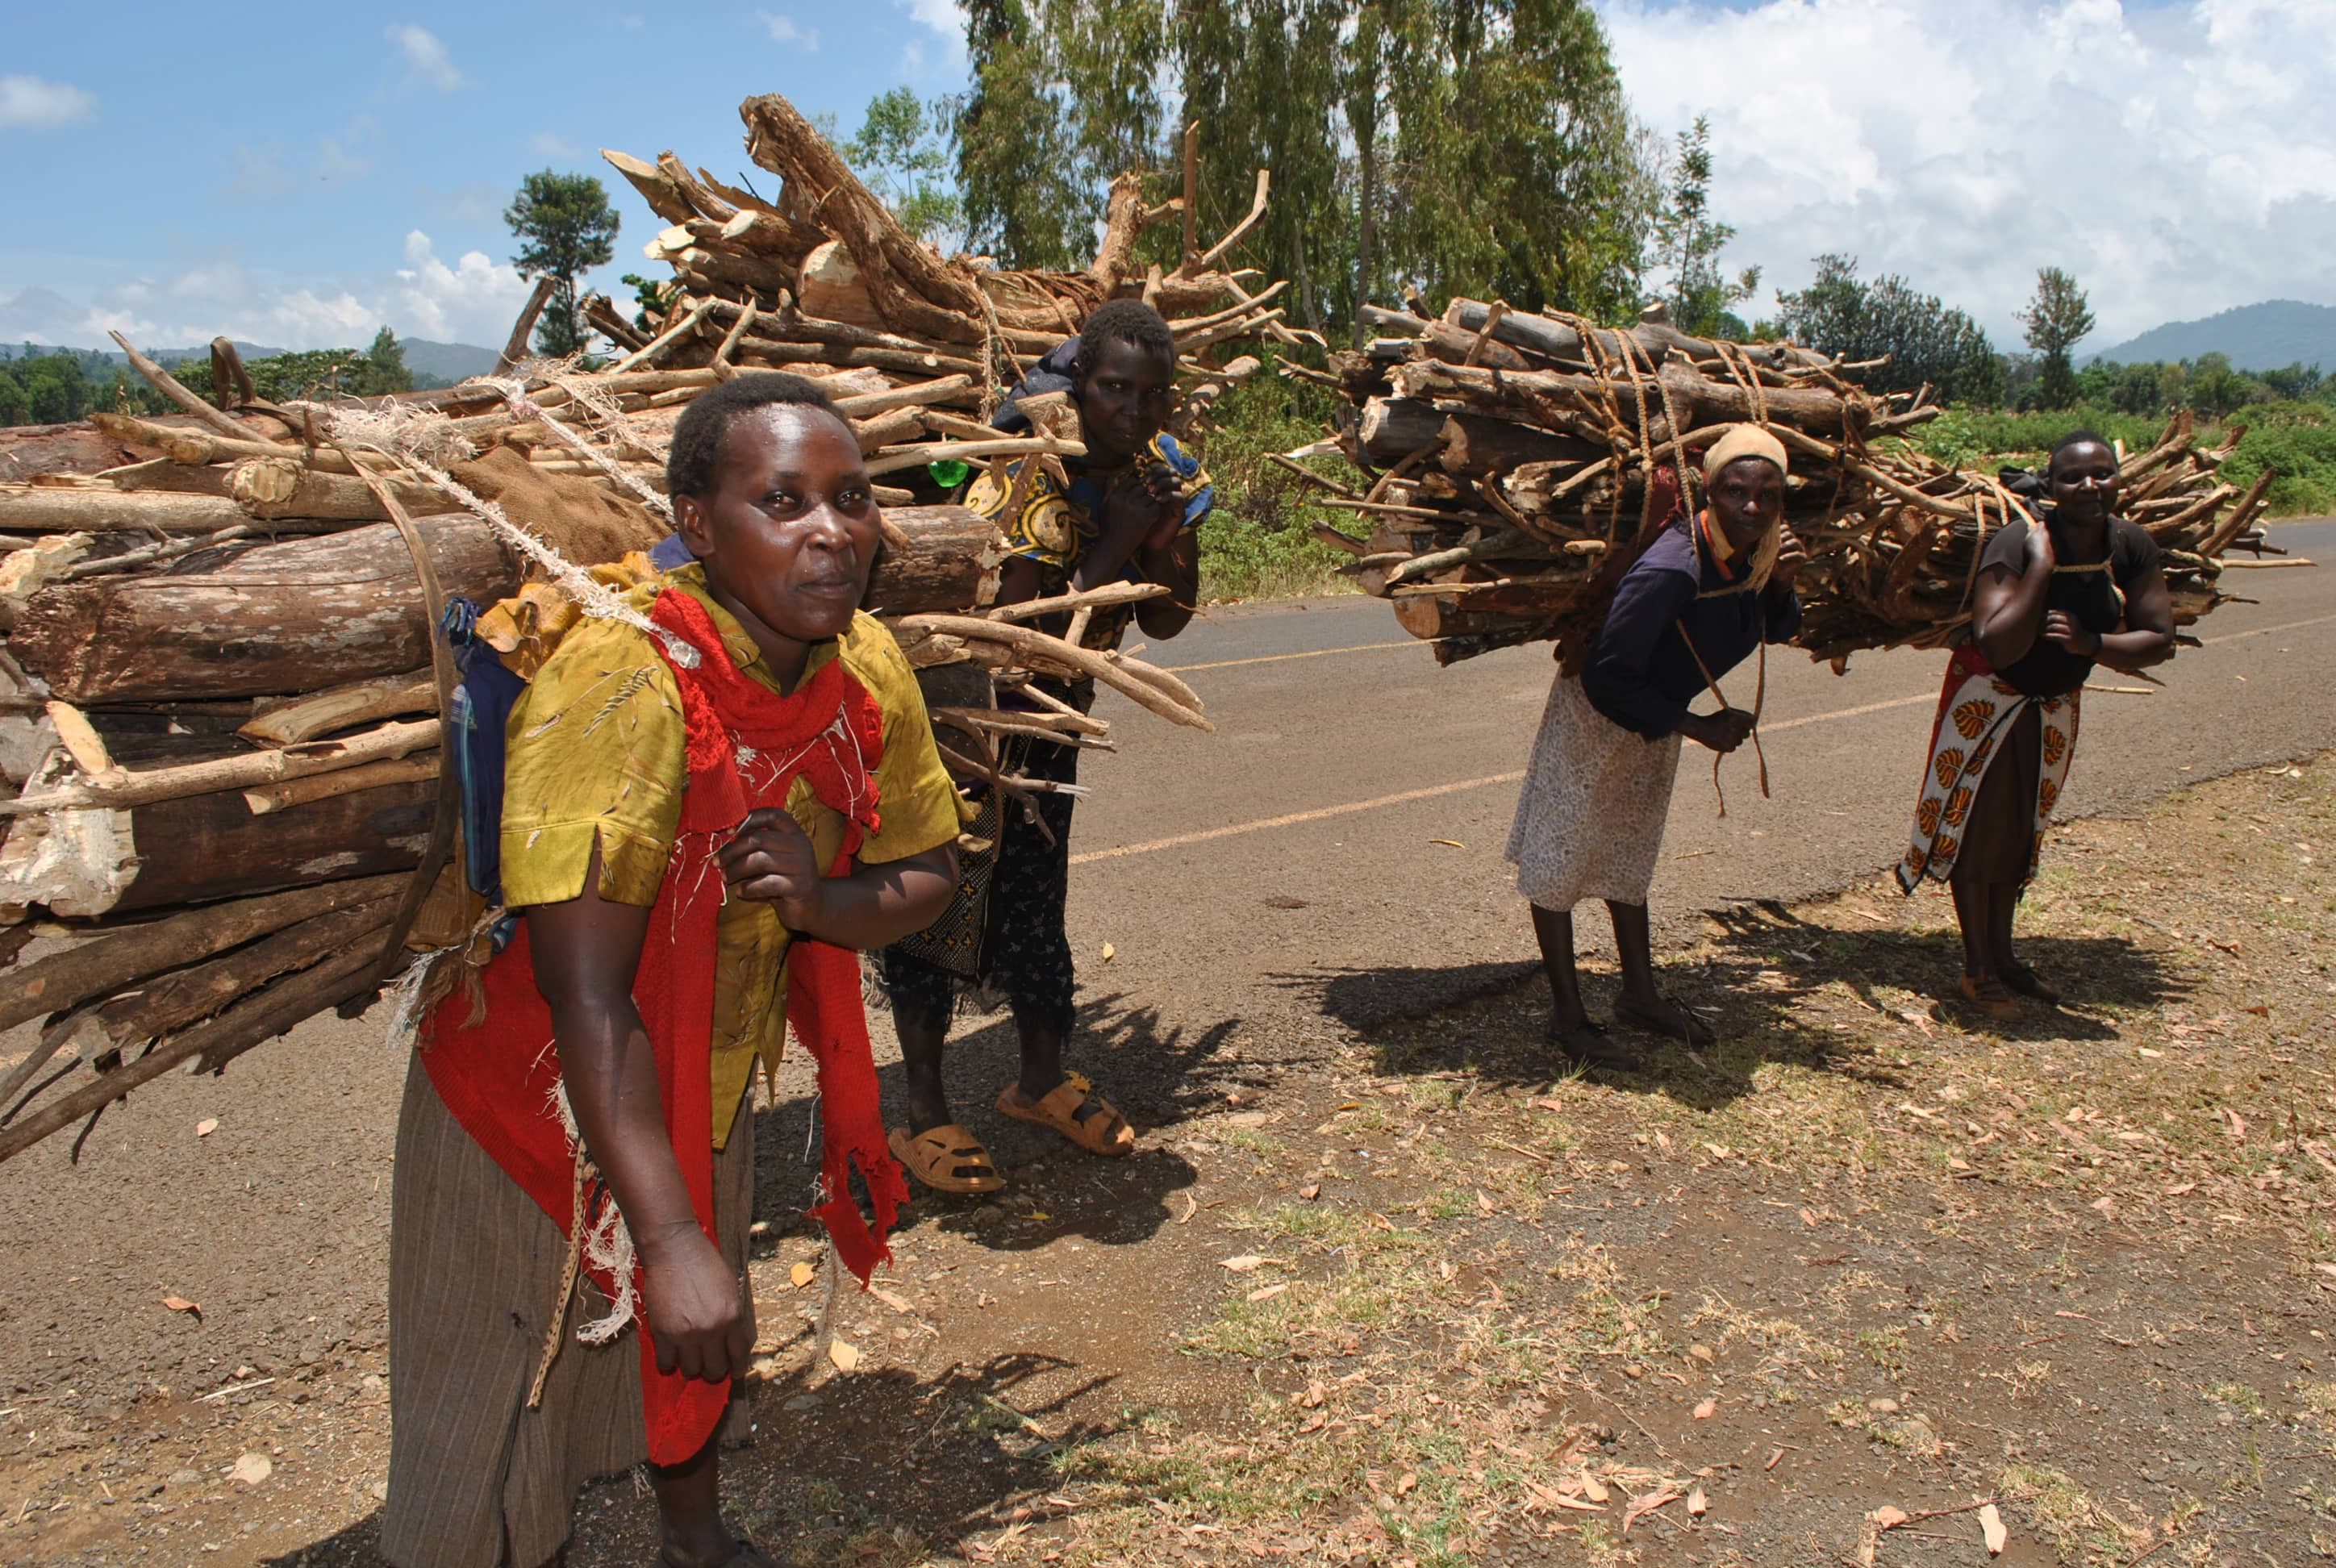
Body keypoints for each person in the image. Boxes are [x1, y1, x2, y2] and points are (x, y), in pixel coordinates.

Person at [383, 373, 962, 1568]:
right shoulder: (624, 678)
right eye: (782, 501)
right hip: (531, 1085)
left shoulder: (866, 668)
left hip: (697, 1062)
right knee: (488, 1382)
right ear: (697, 525)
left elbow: (932, 876)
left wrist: (817, 900)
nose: (829, 532)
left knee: (690, 1343)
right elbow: (583, 991)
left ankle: (694, 1541)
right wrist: (671, 1235)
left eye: (850, 500)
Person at [877, 299, 1208, 1194]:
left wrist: (1169, 543)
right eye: (1112, 390)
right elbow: (1025, 627)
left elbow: (1166, 622)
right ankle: (922, 1115)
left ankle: (1037, 1081)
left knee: (1035, 904)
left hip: (1049, 726)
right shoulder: (1031, 470)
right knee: (939, 911)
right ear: (1079, 385)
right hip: (970, 725)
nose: (1132, 412)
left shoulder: (1145, 474)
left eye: (1151, 396)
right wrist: (1124, 540)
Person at [1508, 427, 1807, 1070]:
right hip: (1596, 717)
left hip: (1657, 715)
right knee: (1562, 857)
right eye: (1736, 490)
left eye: (1768, 493)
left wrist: (1782, 581)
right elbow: (1607, 675)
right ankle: (1567, 1014)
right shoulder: (1674, 567)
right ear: (1710, 489)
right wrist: (1696, 726)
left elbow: (1779, 626)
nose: (1752, 506)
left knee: (1628, 849)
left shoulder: (1757, 551)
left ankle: (1639, 995)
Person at [1896, 429, 2171, 1019]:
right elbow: (1996, 642)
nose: (2090, 486)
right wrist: (2041, 571)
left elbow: (2159, 638)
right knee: (1979, 832)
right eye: (2074, 476)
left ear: (2119, 479)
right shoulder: (2016, 543)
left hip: (2053, 707)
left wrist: (2091, 641)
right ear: (2050, 486)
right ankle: (1977, 971)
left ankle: (2003, 955)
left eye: (2102, 473)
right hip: (1992, 702)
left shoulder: (2130, 545)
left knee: (2022, 832)